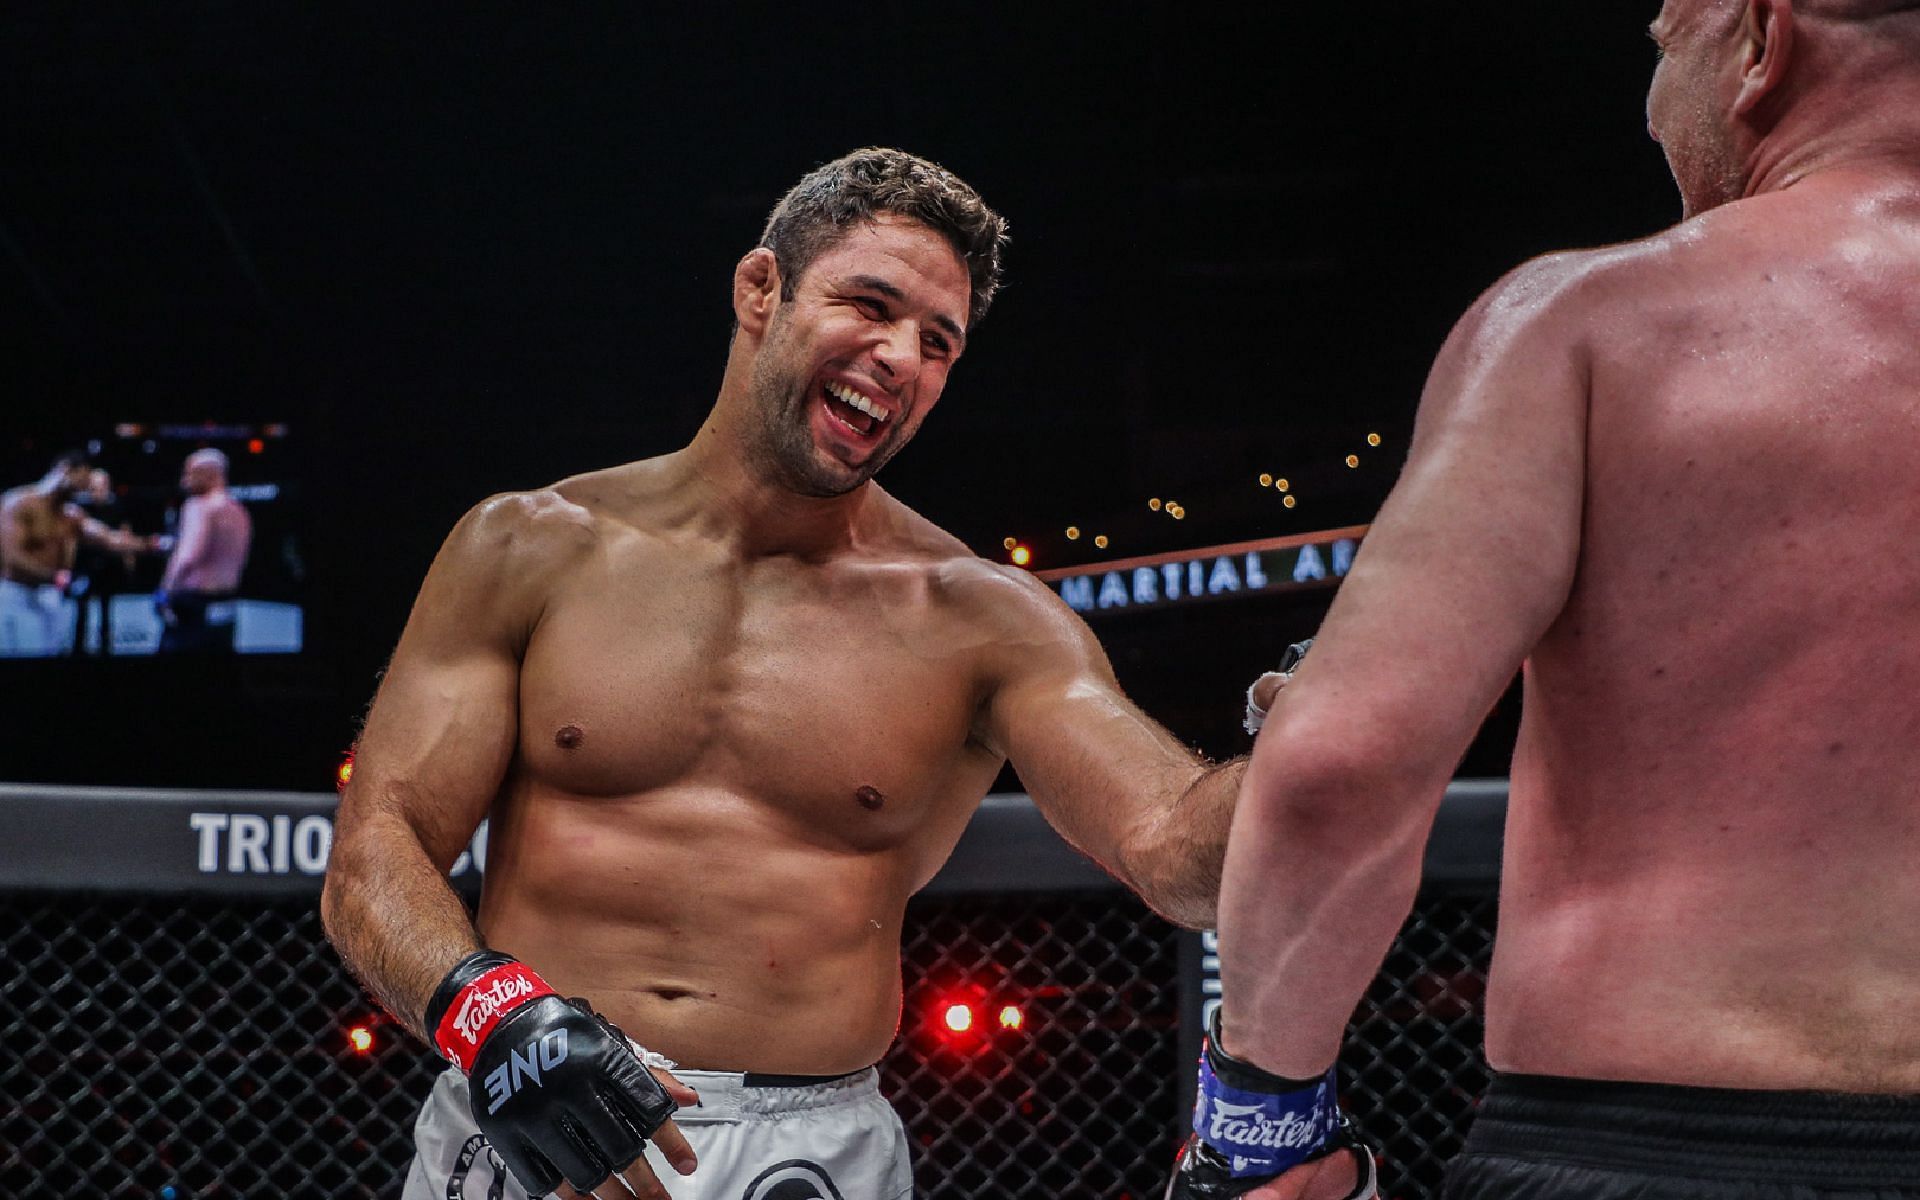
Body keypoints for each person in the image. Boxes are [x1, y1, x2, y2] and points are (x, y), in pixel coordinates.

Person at [322, 148, 1288, 1200]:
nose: (899, 358)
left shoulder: (981, 620)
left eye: (938, 343)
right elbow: (377, 852)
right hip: (526, 1110)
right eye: (868, 305)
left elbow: (1174, 853)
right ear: (761, 289)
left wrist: (1312, 750)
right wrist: (492, 1017)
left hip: (805, 1154)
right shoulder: (530, 547)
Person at [1176, 1, 1920, 1197]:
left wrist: (1265, 1132)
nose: (1656, 77)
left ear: (1763, 45)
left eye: (1668, 41)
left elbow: (1336, 769)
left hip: (1645, 1145)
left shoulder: (1582, 328)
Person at [0, 453, 158, 657]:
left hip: (50, 596)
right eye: (80, 485)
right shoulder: (17, 503)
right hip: (17, 594)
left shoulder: (70, 515)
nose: (80, 493)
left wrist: (150, 544)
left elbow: (109, 539)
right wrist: (54, 577)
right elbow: (11, 559)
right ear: (64, 470)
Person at [156, 448, 253, 654]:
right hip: (227, 603)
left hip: (193, 605)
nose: (184, 481)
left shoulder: (199, 506)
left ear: (210, 474)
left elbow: (188, 556)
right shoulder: (239, 511)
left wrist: (165, 592)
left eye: (189, 473)